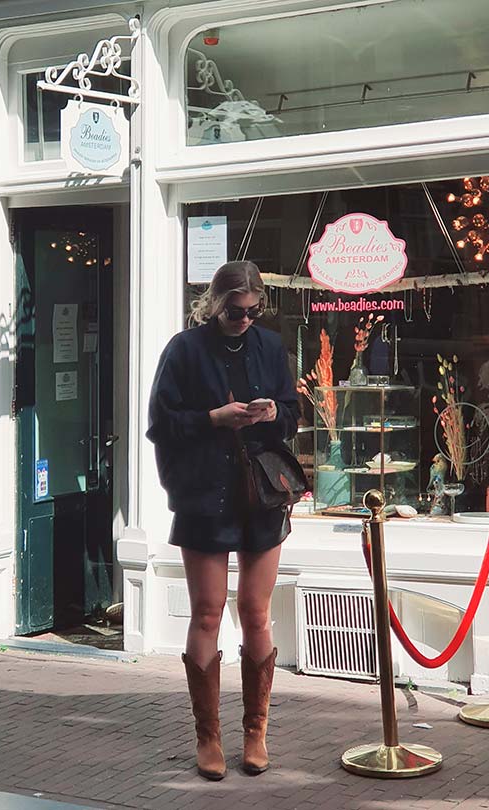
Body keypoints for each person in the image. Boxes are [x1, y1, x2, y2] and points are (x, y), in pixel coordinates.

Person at [147, 261, 300, 780]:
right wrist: (215, 418)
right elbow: (160, 423)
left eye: (255, 311)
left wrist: (273, 413)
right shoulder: (184, 349)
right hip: (204, 494)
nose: (245, 319)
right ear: (215, 304)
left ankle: (256, 732)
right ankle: (207, 738)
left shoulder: (270, 347)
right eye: (236, 311)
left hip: (260, 492)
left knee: (255, 612)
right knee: (208, 613)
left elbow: (293, 412)